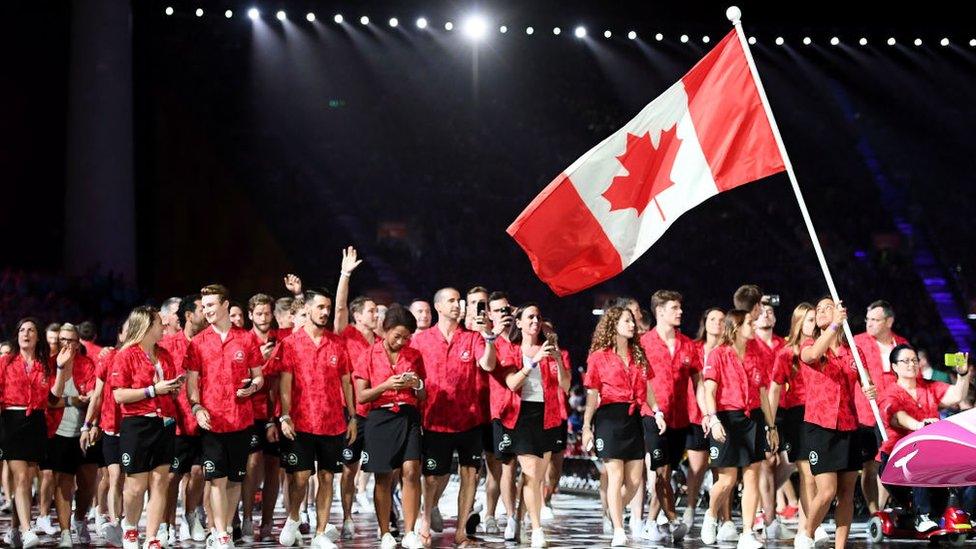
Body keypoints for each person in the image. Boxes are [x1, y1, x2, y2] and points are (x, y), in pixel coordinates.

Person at [413, 287, 499, 546]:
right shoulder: (420, 341)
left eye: (458, 301)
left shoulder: (472, 338)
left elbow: (488, 364)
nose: (456, 305)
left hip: (469, 420)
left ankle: (461, 531)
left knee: (470, 475)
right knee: (431, 477)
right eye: (451, 301)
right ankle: (425, 521)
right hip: (435, 420)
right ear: (438, 307)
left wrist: (490, 338)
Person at [185, 284, 265, 549]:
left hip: (241, 419)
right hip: (212, 421)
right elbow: (192, 383)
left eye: (211, 305)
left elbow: (259, 377)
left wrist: (252, 388)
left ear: (225, 306)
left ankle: (227, 527)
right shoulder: (197, 343)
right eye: (204, 306)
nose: (206, 310)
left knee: (234, 479)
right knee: (216, 478)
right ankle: (219, 532)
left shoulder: (247, 339)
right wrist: (197, 409)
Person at [277, 287, 356, 549]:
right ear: (307, 308)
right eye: (320, 307)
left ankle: (321, 532)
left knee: (326, 477)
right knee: (300, 478)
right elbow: (285, 383)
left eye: (327, 308)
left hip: (332, 422)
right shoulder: (289, 344)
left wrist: (353, 417)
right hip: (300, 422)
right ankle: (294, 516)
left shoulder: (337, 343)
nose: (324, 312)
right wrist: (285, 416)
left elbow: (347, 382)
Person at [796, 297, 875, 549]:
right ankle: (807, 535)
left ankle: (840, 546)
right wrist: (833, 326)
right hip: (820, 425)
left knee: (846, 493)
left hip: (849, 425)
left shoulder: (853, 349)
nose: (820, 312)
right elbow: (813, 355)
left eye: (827, 308)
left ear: (841, 312)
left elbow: (866, 381)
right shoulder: (809, 344)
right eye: (818, 309)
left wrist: (870, 388)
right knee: (827, 491)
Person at [582, 306, 665, 547]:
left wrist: (657, 412)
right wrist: (587, 426)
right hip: (609, 417)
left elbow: (649, 389)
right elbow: (592, 394)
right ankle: (619, 529)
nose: (632, 325)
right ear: (613, 325)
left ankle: (612, 509)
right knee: (615, 475)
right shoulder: (598, 356)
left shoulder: (639, 354)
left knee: (635, 481)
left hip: (634, 418)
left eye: (632, 321)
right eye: (627, 321)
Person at [700, 310, 776, 549]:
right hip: (726, 418)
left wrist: (771, 425)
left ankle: (747, 532)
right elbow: (709, 391)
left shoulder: (757, 354)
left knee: (752, 476)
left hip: (753, 418)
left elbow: (763, 393)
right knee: (727, 480)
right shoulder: (718, 354)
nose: (754, 326)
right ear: (736, 326)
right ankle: (711, 515)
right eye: (750, 323)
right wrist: (713, 420)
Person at [497, 303, 570, 548]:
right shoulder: (512, 350)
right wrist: (533, 362)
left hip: (547, 415)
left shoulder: (549, 349)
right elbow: (511, 383)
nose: (535, 321)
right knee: (529, 471)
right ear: (518, 323)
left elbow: (566, 385)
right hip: (521, 415)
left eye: (538, 316)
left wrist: (558, 360)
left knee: (536, 477)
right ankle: (537, 530)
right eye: (530, 317)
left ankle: (518, 517)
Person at [354, 304, 427, 549]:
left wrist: (416, 383)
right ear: (385, 330)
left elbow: (423, 393)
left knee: (411, 470)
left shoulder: (414, 355)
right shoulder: (367, 355)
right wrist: (385, 385)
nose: (402, 341)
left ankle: (410, 532)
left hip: (408, 416)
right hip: (380, 418)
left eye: (406, 337)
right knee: (383, 477)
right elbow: (362, 396)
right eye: (397, 336)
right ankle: (385, 531)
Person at [877, 345, 971, 531]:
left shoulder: (928, 387)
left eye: (914, 360)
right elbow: (897, 416)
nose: (911, 364)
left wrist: (963, 374)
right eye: (906, 361)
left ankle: (966, 514)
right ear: (894, 367)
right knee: (919, 458)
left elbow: (957, 395)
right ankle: (922, 515)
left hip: (931, 456)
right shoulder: (890, 393)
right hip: (896, 460)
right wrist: (920, 426)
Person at [112, 306, 183, 549]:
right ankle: (130, 528)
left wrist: (173, 388)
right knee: (136, 484)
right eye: (158, 323)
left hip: (164, 421)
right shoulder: (125, 355)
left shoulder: (164, 354)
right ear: (145, 326)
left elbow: (168, 388)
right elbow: (119, 394)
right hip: (137, 423)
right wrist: (153, 390)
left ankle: (152, 536)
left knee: (160, 480)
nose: (163, 327)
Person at [0, 317, 66, 549]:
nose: (26, 333)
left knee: (28, 479)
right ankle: (28, 531)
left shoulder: (45, 364)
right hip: (12, 420)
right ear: (17, 335)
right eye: (22, 330)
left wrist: (60, 369)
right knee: (21, 477)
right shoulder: (5, 362)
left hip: (36, 421)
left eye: (31, 330)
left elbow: (54, 397)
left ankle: (15, 529)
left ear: (38, 337)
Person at [638, 290, 698, 543]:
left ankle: (654, 521)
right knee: (661, 470)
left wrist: (708, 414)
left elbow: (699, 381)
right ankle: (669, 520)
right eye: (674, 307)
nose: (680, 312)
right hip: (652, 414)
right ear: (660, 311)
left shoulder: (688, 344)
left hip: (680, 418)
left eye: (680, 307)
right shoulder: (644, 343)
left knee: (668, 472)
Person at [769, 303, 827, 544]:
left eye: (815, 319)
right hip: (798, 415)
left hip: (822, 414)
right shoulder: (787, 353)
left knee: (820, 474)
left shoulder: (824, 349)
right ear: (799, 322)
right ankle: (807, 527)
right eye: (810, 319)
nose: (814, 323)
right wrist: (770, 425)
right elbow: (774, 389)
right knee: (807, 474)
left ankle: (811, 523)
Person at [157, 294, 208, 544]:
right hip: (176, 422)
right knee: (171, 477)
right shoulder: (167, 345)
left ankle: (191, 516)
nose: (206, 313)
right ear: (188, 316)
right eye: (201, 309)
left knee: (199, 472)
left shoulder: (208, 343)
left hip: (204, 419)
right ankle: (165, 525)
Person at [46, 323, 98, 548]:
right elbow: (47, 400)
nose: (67, 344)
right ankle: (65, 532)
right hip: (58, 431)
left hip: (84, 430)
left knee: (87, 484)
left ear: (78, 343)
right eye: (63, 340)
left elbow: (95, 397)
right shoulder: (49, 365)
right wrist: (71, 400)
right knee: (63, 482)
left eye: (71, 340)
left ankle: (79, 519)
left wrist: (92, 424)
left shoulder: (87, 364)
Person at [853, 299, 907, 513]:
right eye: (868, 319)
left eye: (875, 320)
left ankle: (885, 509)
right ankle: (875, 511)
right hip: (865, 413)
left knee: (891, 461)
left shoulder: (902, 345)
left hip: (894, 413)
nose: (870, 324)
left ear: (889, 321)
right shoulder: (857, 343)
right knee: (870, 464)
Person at [82, 322, 127, 546]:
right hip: (111, 426)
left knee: (131, 481)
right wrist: (89, 424)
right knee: (113, 476)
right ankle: (112, 520)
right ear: (119, 333)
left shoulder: (148, 357)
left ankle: (127, 523)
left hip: (137, 427)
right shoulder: (108, 356)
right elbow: (97, 395)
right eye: (127, 328)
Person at [239, 293, 279, 543]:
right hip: (249, 410)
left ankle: (267, 522)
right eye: (259, 313)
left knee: (274, 466)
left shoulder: (281, 341)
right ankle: (245, 518)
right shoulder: (243, 341)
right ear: (250, 315)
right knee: (252, 462)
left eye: (267, 313)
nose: (264, 318)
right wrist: (261, 362)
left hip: (275, 411)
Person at [686, 308, 724, 534]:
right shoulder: (695, 348)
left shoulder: (729, 348)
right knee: (697, 467)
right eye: (712, 319)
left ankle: (718, 515)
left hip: (723, 414)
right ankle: (690, 508)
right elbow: (699, 385)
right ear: (705, 322)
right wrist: (705, 414)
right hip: (697, 416)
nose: (717, 324)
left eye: (721, 320)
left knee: (721, 468)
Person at [484, 291, 518, 539]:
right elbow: (488, 365)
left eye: (506, 309)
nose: (503, 314)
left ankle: (517, 517)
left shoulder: (522, 338)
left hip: (526, 412)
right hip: (497, 412)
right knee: (497, 468)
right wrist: (493, 337)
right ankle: (493, 514)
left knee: (523, 467)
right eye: (498, 311)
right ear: (489, 315)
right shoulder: (487, 340)